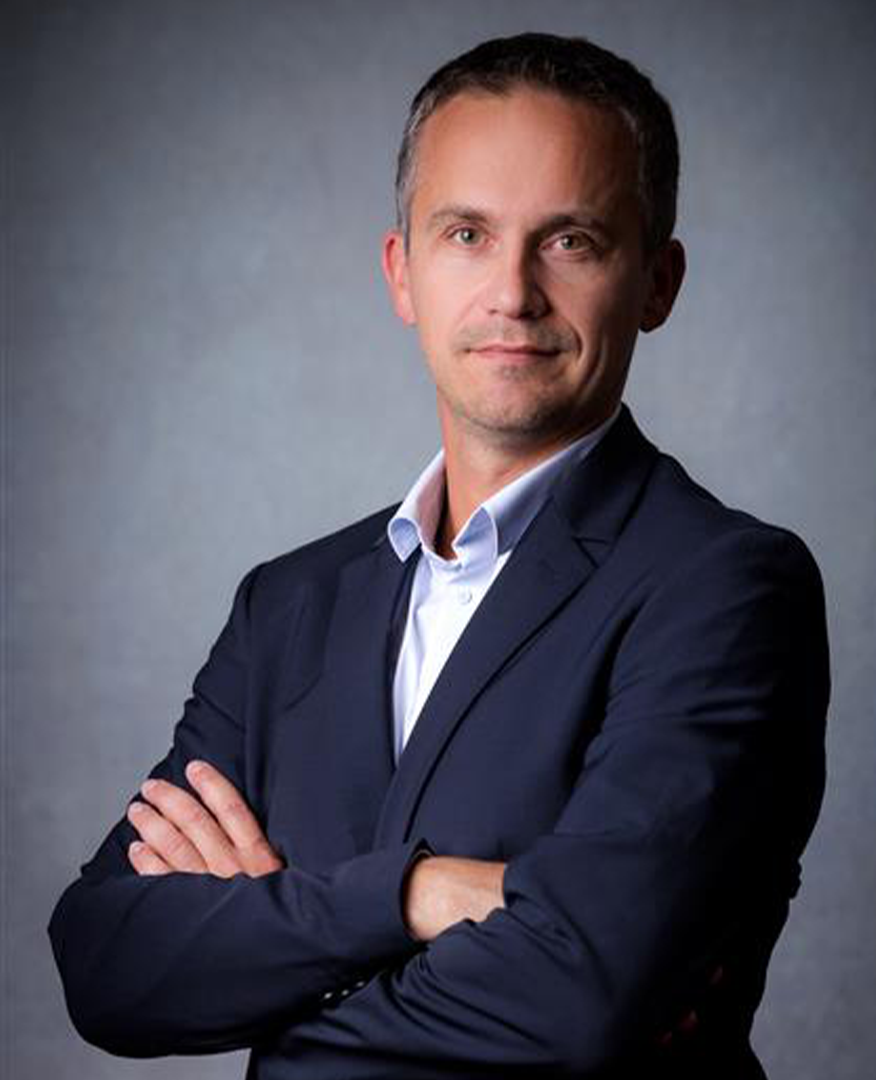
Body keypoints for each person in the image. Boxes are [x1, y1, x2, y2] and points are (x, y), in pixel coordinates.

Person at [49, 32, 829, 1079]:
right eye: (467, 232)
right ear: (401, 271)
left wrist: (275, 971)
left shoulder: (725, 590)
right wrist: (417, 896)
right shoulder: (290, 607)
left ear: (657, 281)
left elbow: (578, 997)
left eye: (573, 241)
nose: (513, 291)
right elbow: (109, 964)